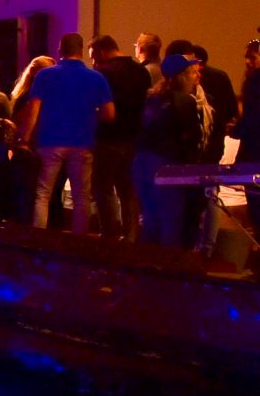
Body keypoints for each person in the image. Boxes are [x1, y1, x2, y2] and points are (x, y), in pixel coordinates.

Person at [13, 36, 109, 233]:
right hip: (82, 141)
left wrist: (25, 138)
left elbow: (33, 109)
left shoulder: (45, 75)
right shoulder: (96, 78)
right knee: (81, 196)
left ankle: (38, 237)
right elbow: (109, 113)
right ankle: (79, 240)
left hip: (50, 141)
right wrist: (90, 119)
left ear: (60, 50)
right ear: (81, 50)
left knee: (43, 194)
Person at [137, 53, 205, 247]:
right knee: (171, 224)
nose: (195, 76)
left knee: (151, 221)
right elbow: (192, 137)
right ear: (182, 76)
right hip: (169, 169)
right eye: (191, 72)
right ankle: (170, 263)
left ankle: (147, 261)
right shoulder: (185, 101)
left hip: (144, 164)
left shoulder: (153, 98)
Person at [90, 34, 151, 242]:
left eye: (94, 57)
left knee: (103, 187)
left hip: (108, 137)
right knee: (128, 190)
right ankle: (131, 236)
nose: (93, 62)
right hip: (134, 138)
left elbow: (100, 107)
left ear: (102, 51)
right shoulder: (141, 71)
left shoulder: (104, 74)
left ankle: (110, 234)